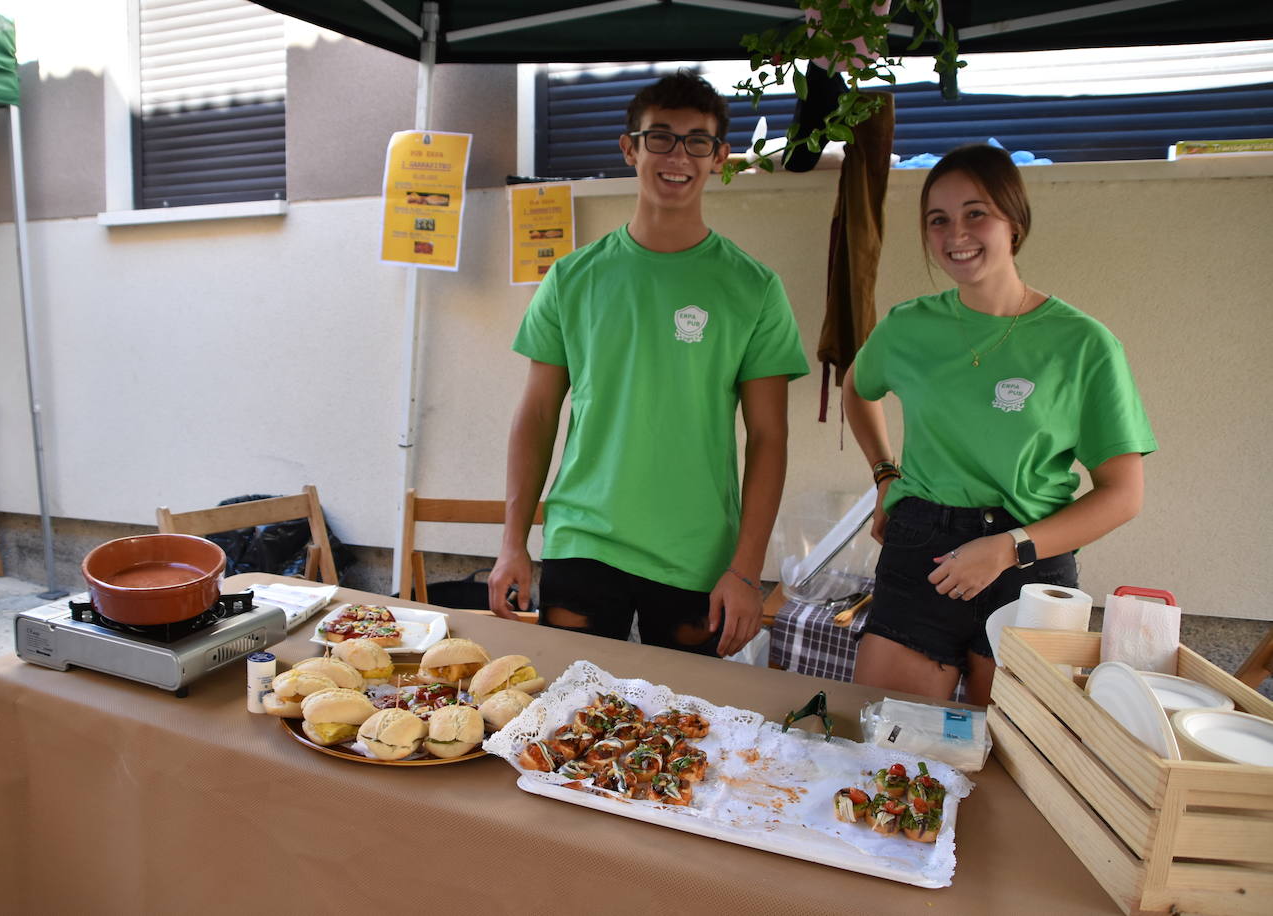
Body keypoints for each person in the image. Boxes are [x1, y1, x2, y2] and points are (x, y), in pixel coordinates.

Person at [488, 69, 810, 658]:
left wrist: (746, 569)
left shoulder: (754, 287)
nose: (678, 155)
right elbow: (535, 415)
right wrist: (513, 543)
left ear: (719, 157)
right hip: (583, 539)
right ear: (629, 148)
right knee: (568, 703)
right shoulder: (572, 277)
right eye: (660, 137)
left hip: (698, 554)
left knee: (687, 710)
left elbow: (769, 437)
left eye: (697, 141)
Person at [845, 144, 1156, 705]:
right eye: (938, 220)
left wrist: (1009, 548)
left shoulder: (1083, 344)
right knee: (886, 740)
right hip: (923, 553)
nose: (956, 234)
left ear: (1014, 221)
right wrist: (884, 473)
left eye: (976, 213)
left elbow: (1122, 495)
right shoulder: (908, 327)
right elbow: (857, 388)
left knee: (1016, 752)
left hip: (1029, 562)